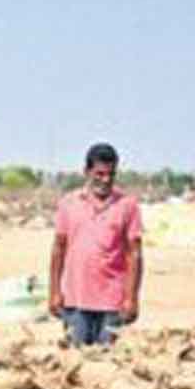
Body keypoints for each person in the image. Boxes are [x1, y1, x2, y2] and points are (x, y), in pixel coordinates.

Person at [48, 142, 144, 346]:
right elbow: (59, 248)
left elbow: (134, 254)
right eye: (99, 174)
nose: (105, 180)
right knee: (76, 355)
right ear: (87, 172)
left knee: (107, 359)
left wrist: (132, 298)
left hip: (112, 303)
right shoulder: (69, 203)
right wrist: (54, 292)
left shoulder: (127, 205)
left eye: (111, 174)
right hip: (76, 300)